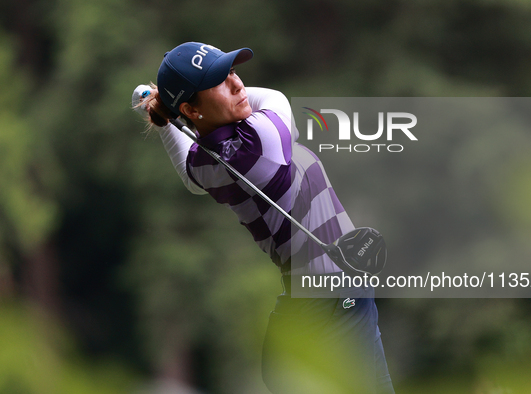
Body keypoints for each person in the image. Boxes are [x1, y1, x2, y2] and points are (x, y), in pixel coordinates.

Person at [132, 42, 395, 394]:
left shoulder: (205, 162)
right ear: (191, 109)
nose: (238, 85)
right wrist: (170, 109)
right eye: (220, 84)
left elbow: (187, 171)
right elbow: (276, 98)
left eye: (233, 73)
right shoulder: (260, 142)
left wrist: (170, 115)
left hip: (322, 298)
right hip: (333, 298)